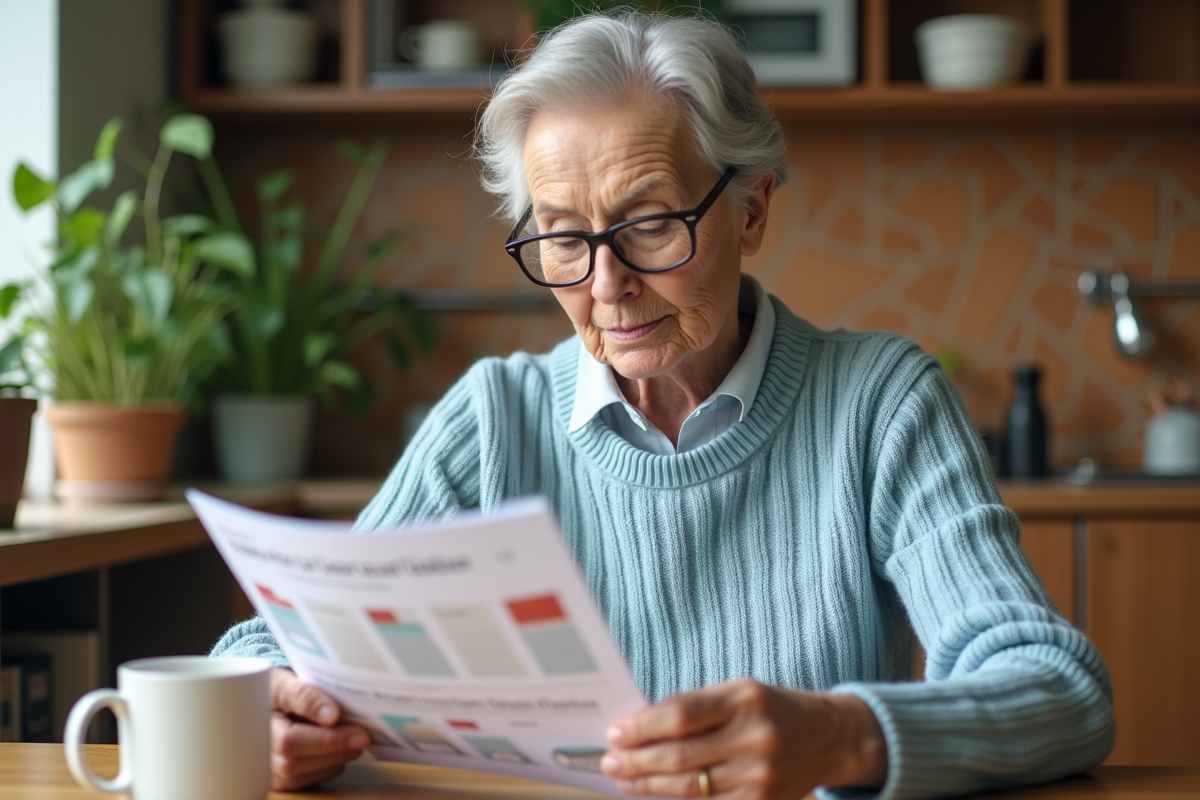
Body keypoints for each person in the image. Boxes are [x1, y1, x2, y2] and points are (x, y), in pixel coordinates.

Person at [211, 10, 1115, 799]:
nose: (607, 286)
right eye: (563, 238)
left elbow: (1059, 690)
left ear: (751, 211)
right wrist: (265, 703)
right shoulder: (495, 419)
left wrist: (846, 735)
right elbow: (274, 638)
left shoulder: (880, 407)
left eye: (649, 224)